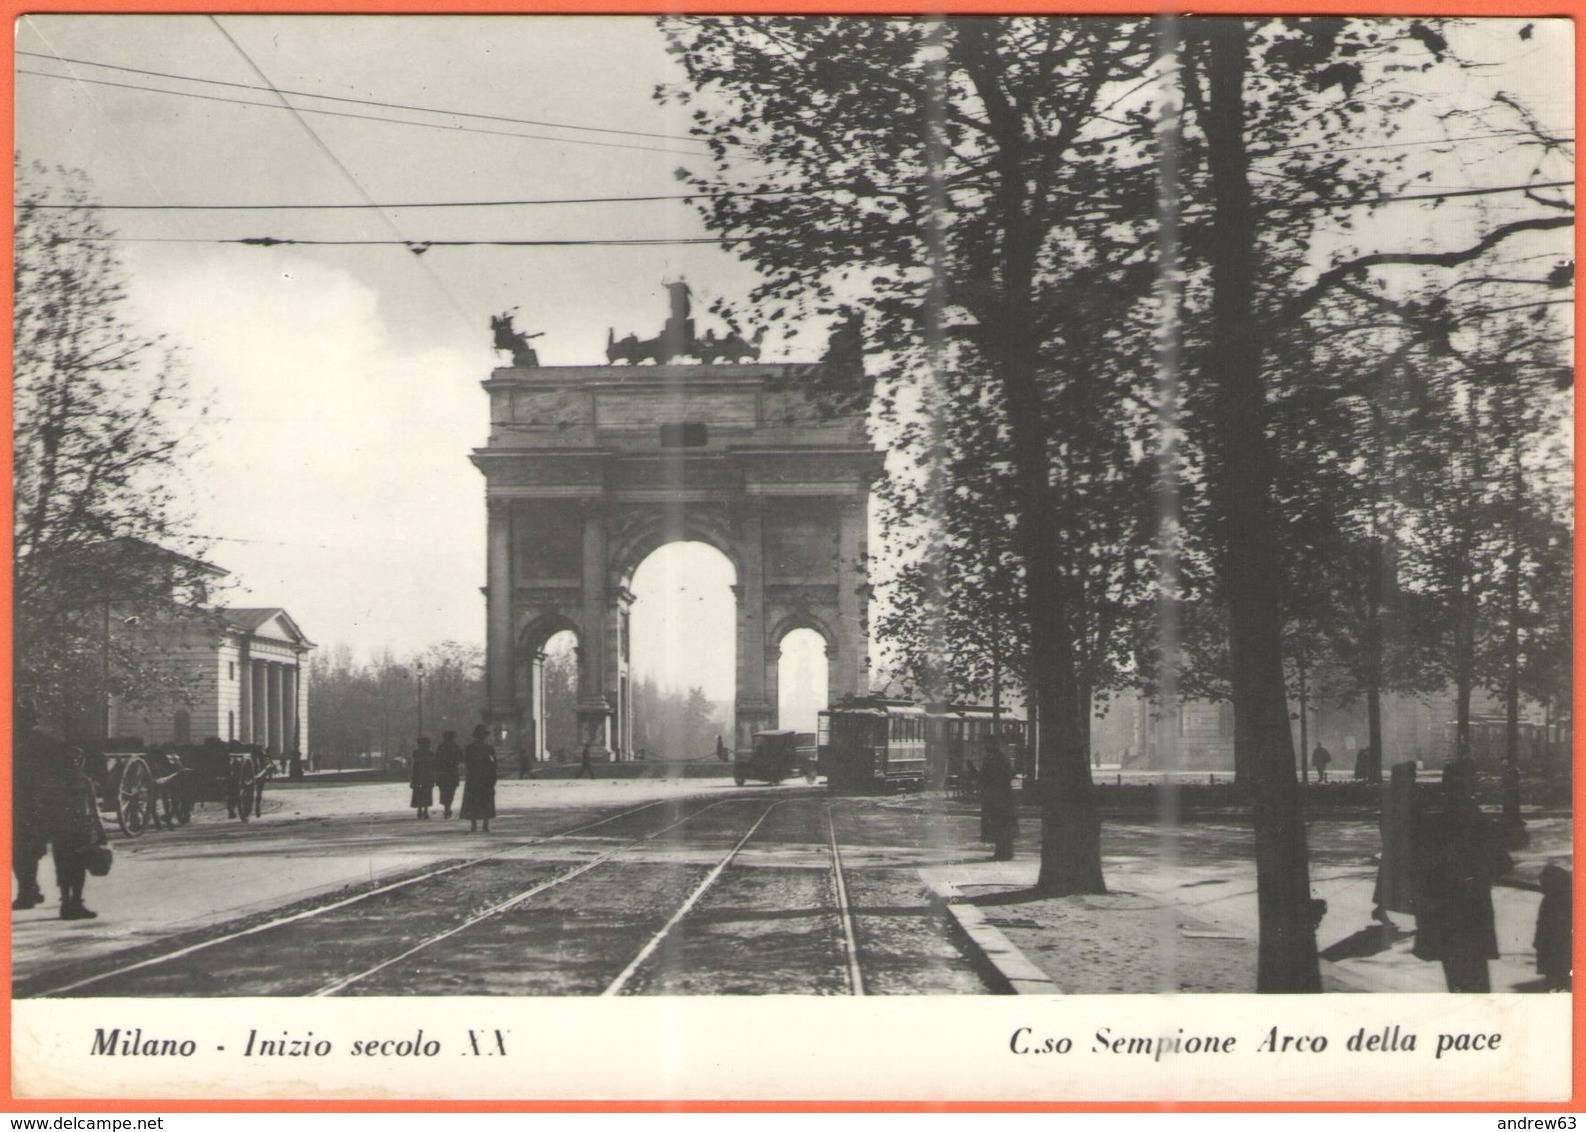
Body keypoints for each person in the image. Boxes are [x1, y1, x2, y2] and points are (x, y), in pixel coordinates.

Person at [1412, 757, 1513, 992]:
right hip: (1473, 914)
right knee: (1477, 984)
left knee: (1455, 981)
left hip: (1445, 917)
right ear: (1470, 785)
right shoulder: (1477, 820)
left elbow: (1421, 872)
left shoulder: (1432, 821)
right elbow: (1502, 864)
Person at [49, 747, 107, 920]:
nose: (75, 762)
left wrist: (100, 829)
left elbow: (93, 807)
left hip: (81, 830)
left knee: (80, 868)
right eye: (71, 759)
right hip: (62, 831)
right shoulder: (55, 782)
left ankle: (76, 902)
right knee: (63, 868)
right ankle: (66, 904)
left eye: (78, 759)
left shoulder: (85, 781)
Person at [12, 712, 57, 910]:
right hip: (17, 802)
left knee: (25, 851)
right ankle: (31, 889)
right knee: (20, 851)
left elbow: (52, 773)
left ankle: (27, 893)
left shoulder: (43, 744)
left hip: (34, 804)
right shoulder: (15, 741)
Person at [978, 736, 1018, 862]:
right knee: (998, 825)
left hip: (1001, 797)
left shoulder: (998, 758)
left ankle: (1004, 853)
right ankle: (1001, 852)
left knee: (1001, 824)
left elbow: (1008, 775)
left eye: (988, 743)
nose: (986, 746)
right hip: (996, 796)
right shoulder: (993, 758)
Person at [1534, 864, 1572, 992]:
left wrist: (1538, 941)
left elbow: (1544, 925)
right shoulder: (1555, 899)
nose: (1542, 887)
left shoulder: (1554, 901)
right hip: (1555, 949)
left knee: (1556, 980)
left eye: (1544, 884)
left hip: (1555, 950)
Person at [460, 724, 498, 833]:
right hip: (485, 777)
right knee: (485, 800)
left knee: (474, 800)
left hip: (474, 777)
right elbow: (493, 763)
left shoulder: (469, 748)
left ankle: (474, 824)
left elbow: (467, 762)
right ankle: (485, 824)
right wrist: (492, 775)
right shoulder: (488, 748)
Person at [435, 731, 463, 817]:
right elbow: (461, 758)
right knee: (451, 791)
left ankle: (446, 807)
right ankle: (448, 807)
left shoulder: (441, 747)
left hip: (443, 772)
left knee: (444, 790)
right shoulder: (456, 747)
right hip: (452, 771)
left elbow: (436, 759)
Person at [409, 736, 436, 819]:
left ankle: (420, 810)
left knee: (419, 793)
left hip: (418, 775)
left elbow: (415, 766)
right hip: (428, 776)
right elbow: (433, 766)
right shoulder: (430, 753)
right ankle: (425, 811)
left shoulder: (416, 753)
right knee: (427, 793)